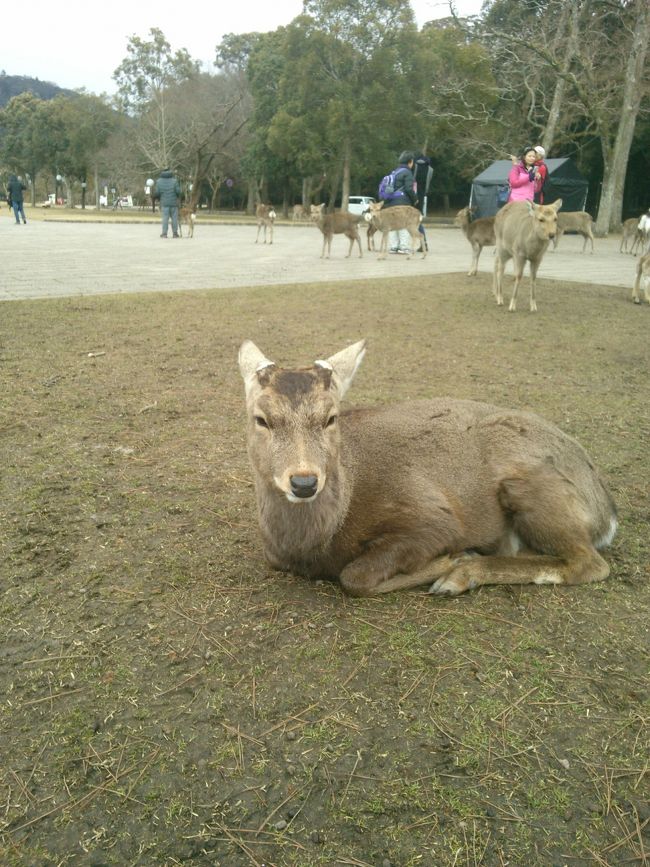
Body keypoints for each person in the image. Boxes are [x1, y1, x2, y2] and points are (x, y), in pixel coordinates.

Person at [380, 151, 418, 254]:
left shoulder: (394, 172)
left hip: (390, 202)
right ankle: (403, 247)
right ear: (410, 162)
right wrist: (415, 199)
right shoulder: (407, 172)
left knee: (393, 224)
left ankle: (393, 247)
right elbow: (409, 189)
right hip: (403, 202)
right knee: (403, 224)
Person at [154, 168, 181, 238]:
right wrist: (177, 196)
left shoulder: (159, 181)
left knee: (165, 218)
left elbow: (157, 193)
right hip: (174, 203)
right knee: (174, 219)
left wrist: (158, 198)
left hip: (164, 203)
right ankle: (175, 234)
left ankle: (164, 234)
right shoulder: (175, 181)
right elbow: (178, 192)